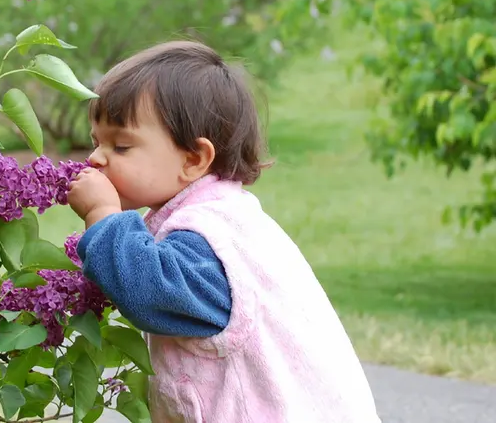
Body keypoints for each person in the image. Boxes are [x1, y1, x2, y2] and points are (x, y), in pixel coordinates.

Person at [67, 40, 381, 423]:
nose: (96, 158)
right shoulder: (229, 217)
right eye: (97, 141)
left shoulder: (207, 239)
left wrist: (102, 213)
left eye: (121, 145)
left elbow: (147, 291)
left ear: (194, 159)